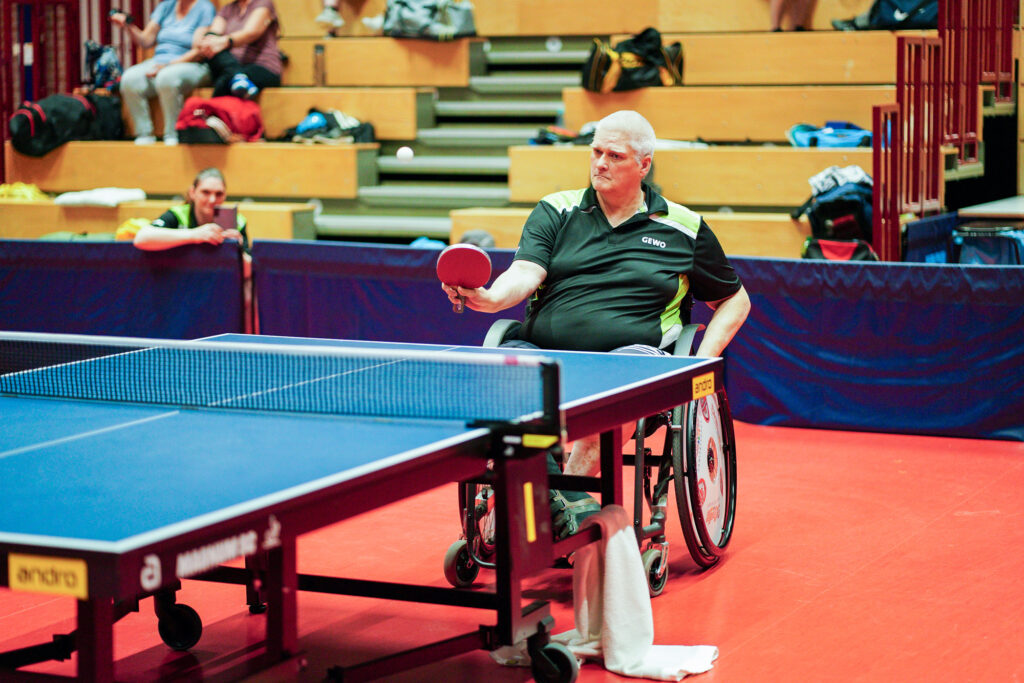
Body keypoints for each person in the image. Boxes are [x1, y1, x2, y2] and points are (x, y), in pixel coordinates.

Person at [441, 110, 751, 538]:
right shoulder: (557, 210)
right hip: (545, 352)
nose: (600, 162)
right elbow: (525, 274)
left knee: (613, 397)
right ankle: (563, 507)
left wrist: (696, 364)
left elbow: (735, 299)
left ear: (643, 164)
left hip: (631, 357)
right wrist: (492, 298)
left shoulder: (683, 228)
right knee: (502, 379)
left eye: (615, 155)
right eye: (596, 151)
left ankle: (537, 507)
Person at [110, 0, 217, 145]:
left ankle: (173, 134)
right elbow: (146, 41)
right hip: (159, 62)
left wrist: (168, 65)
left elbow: (198, 51)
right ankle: (144, 133)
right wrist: (128, 26)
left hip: (191, 64)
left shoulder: (204, 7)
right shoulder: (166, 6)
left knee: (166, 78)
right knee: (129, 79)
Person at [133, 168, 248, 251]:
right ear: (192, 192)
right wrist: (194, 235)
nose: (212, 199)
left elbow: (248, 274)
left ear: (225, 196)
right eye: (205, 192)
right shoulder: (178, 215)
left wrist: (239, 249)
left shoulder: (237, 221)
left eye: (219, 194)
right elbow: (142, 238)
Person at [195, 0, 282, 101]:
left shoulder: (263, 3)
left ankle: (214, 113)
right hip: (230, 65)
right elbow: (214, 32)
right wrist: (210, 41)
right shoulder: (227, 9)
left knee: (225, 81)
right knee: (213, 49)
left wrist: (226, 41)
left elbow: (251, 33)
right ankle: (238, 76)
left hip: (262, 66)